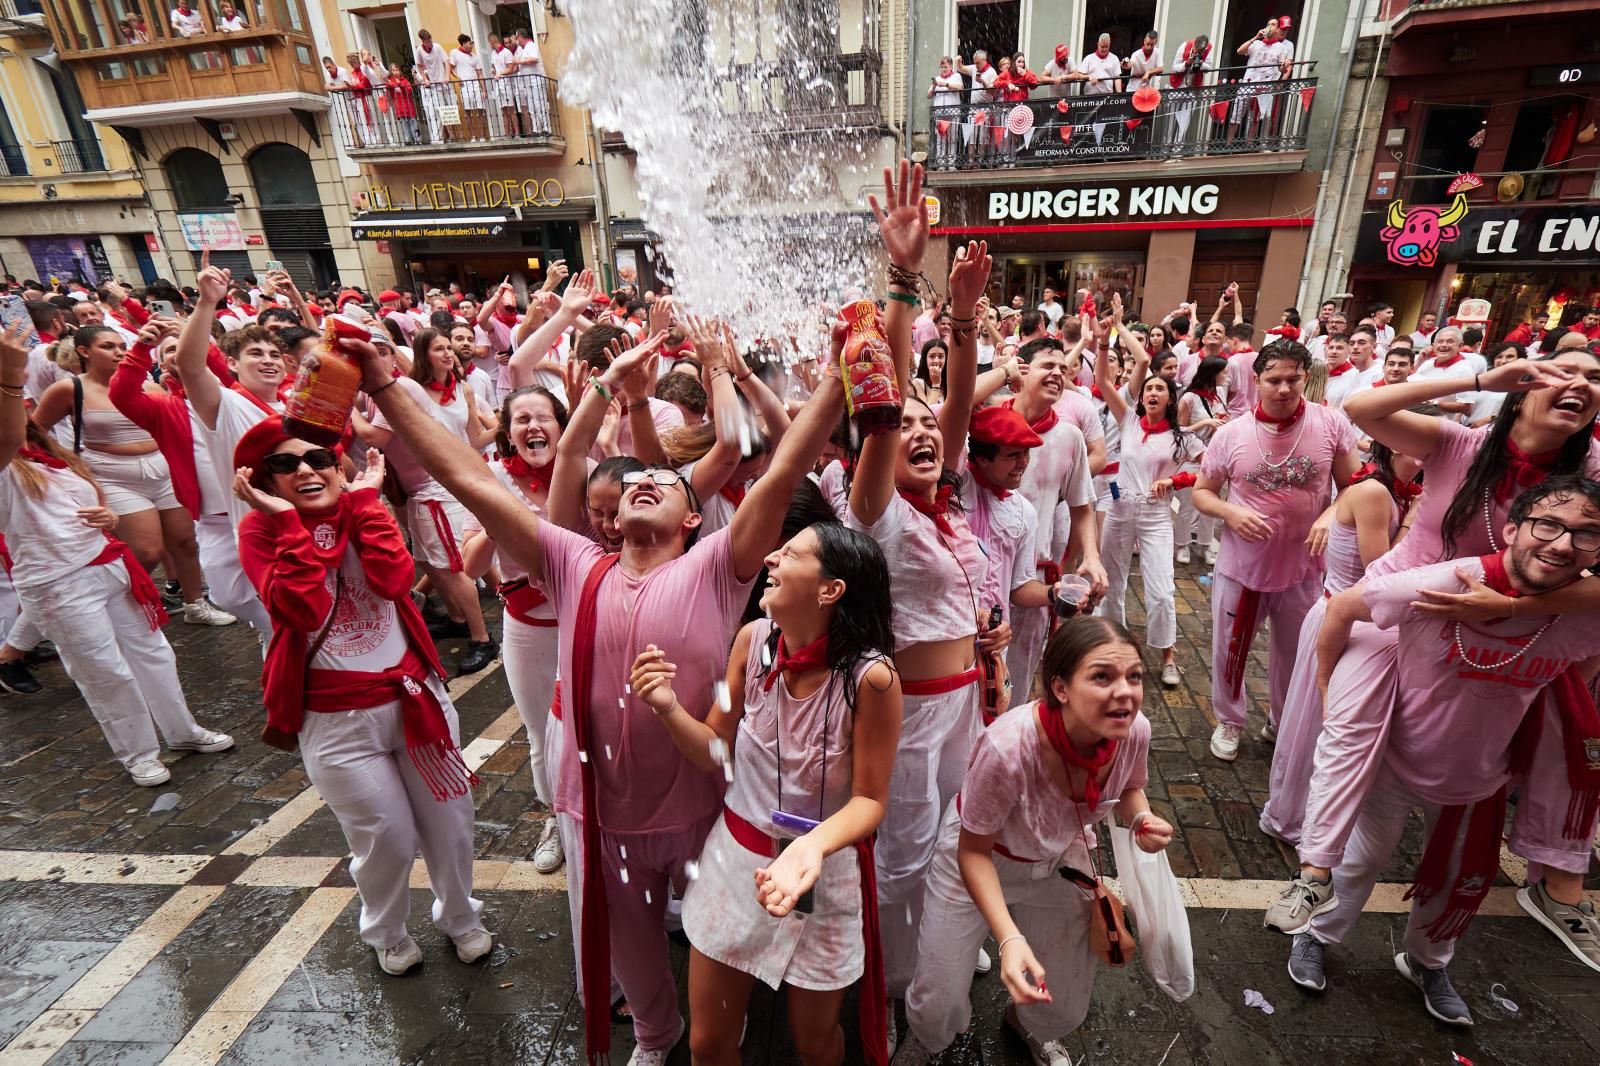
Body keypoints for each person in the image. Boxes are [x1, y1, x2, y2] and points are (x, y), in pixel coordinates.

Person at [346, 287, 845, 1064]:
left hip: (703, 809)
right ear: (607, 516)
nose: (645, 480)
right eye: (631, 484)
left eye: (667, 483)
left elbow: (784, 468)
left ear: (693, 517)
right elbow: (469, 480)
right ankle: (654, 1036)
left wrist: (844, 368)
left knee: (726, 940)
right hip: (601, 816)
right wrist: (384, 383)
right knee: (634, 957)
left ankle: (719, 1023)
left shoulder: (719, 567)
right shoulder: (573, 562)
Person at [1272, 347, 1600, 969]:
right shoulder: (1462, 445)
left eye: (1595, 379)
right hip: (1396, 612)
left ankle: (1548, 886)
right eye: (1567, 371)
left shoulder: (1593, 474)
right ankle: (1316, 881)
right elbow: (1361, 407)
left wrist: (1511, 611)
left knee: (1566, 732)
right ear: (1526, 385)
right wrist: (1480, 379)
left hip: (1508, 635)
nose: (1581, 385)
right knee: (1353, 739)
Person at [632, 521, 902, 1065]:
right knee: (708, 1044)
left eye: (791, 552)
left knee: (816, 1042)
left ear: (830, 590)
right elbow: (714, 747)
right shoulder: (751, 640)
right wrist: (666, 707)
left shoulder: (873, 679)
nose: (771, 558)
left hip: (821, 876)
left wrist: (809, 849)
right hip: (736, 865)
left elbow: (870, 800)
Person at [232, 421, 493, 977]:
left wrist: (369, 502)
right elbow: (298, 610)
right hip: (335, 720)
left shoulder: (363, 509)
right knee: (387, 838)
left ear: (339, 465)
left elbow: (395, 579)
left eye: (319, 457)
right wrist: (286, 524)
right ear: (265, 483)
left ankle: (460, 915)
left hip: (415, 696)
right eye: (285, 465)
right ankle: (387, 931)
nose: (305, 470)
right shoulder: (259, 531)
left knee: (450, 823)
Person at [840, 165, 998, 1016]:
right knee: (901, 854)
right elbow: (897, 407)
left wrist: (964, 318)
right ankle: (894, 989)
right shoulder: (877, 514)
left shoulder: (943, 506)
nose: (930, 433)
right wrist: (902, 281)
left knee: (955, 842)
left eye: (940, 430)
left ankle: (940, 944)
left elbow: (949, 411)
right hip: (904, 716)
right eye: (911, 430)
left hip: (967, 706)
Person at [893, 617, 1172, 1066]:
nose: (1125, 692)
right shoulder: (1008, 747)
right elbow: (973, 852)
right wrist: (1007, 939)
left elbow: (1131, 785)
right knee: (937, 998)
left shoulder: (1134, 730)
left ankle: (1026, 1027)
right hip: (980, 862)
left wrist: (1141, 816)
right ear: (1060, 688)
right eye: (1102, 676)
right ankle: (929, 1042)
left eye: (1134, 676)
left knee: (1061, 997)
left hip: (1060, 859)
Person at [0, 321, 234, 787]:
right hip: (58, 583)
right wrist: (9, 375)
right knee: (105, 671)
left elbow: (87, 501)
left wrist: (107, 517)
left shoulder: (57, 460)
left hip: (109, 567)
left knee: (154, 654)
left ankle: (182, 732)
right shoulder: (7, 469)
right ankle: (139, 754)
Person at [1192, 341, 1361, 761]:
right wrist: (1230, 512)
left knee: (1297, 652)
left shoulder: (1332, 424)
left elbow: (1357, 487)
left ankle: (1282, 720)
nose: (1284, 389)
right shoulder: (1231, 433)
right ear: (1257, 380)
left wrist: (1331, 515)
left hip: (1305, 567)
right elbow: (1202, 493)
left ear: (1307, 377)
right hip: (1243, 567)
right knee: (1230, 647)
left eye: (1293, 379)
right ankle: (1230, 720)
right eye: (1274, 380)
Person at [1258, 428, 1422, 842]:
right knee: (1318, 723)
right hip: (1342, 620)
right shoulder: (1374, 493)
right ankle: (1295, 818)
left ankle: (1324, 817)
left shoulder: (1395, 490)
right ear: (1403, 444)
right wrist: (1412, 526)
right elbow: (1379, 572)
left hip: (1363, 623)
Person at [31, 324, 234, 627]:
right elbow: (35, 431)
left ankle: (195, 605)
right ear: (84, 352)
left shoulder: (149, 386)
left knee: (185, 542)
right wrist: (64, 465)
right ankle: (122, 605)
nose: (118, 353)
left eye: (121, 346)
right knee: (148, 551)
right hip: (112, 475)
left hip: (162, 470)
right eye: (108, 347)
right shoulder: (69, 389)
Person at [459, 384, 573, 874]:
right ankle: (556, 820)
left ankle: (597, 813)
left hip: (582, 622)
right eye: (521, 419)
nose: (532, 427)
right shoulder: (490, 481)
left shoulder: (580, 474)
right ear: (507, 433)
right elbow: (468, 566)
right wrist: (496, 516)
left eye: (542, 417)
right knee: (540, 733)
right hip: (527, 628)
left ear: (560, 426)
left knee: (590, 724)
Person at [358, 327, 499, 675]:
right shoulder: (402, 389)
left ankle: (482, 639)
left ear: (394, 356)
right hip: (423, 490)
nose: (450, 354)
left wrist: (511, 424)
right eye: (440, 349)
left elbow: (474, 437)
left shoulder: (408, 388)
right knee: (432, 564)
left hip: (440, 488)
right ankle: (456, 618)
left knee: (452, 569)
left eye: (383, 351)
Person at [1093, 308, 1204, 686]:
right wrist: (1108, 336)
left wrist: (1176, 481)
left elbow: (1211, 470)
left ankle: (1168, 654)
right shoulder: (1127, 420)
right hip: (1121, 507)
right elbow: (1102, 380)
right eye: (1149, 388)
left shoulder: (1181, 438)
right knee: (1112, 580)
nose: (1153, 391)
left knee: (1161, 589)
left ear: (1171, 400)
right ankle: (1113, 641)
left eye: (1161, 388)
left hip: (1157, 515)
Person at [1174, 355, 1226, 565]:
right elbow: (1178, 430)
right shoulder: (1189, 398)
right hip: (1192, 459)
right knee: (1188, 505)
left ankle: (1205, 545)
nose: (1227, 376)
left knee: (1211, 506)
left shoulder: (1219, 394)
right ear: (1212, 374)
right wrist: (1204, 422)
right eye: (1224, 372)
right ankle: (1182, 545)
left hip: (1214, 458)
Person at [1230, 19, 1291, 140]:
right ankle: (1228, 144)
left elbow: (1281, 70)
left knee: (1255, 119)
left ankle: (1248, 145)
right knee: (1235, 116)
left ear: (1278, 29)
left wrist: (1285, 66)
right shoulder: (1257, 44)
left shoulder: (1280, 47)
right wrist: (1256, 37)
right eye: (1268, 24)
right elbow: (1239, 51)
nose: (1269, 26)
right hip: (1248, 84)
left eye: (1273, 24)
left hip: (1264, 87)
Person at [1409, 326, 1484, 420]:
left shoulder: (1465, 370)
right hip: (1413, 418)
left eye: (1450, 341)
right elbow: (1409, 383)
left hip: (1439, 425)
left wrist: (1434, 404)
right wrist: (1420, 361)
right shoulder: (1427, 363)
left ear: (1460, 346)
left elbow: (1466, 407)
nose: (1444, 345)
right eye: (1440, 341)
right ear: (1433, 345)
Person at [413, 29, 451, 143]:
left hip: (442, 83)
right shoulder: (419, 50)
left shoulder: (437, 47)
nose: (430, 43)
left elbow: (447, 61)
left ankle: (451, 136)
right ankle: (437, 138)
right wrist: (425, 79)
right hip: (433, 86)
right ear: (423, 41)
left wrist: (447, 76)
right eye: (428, 41)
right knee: (436, 112)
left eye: (431, 40)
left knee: (447, 110)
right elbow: (419, 65)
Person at [928, 57, 965, 167]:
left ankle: (951, 163)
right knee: (941, 138)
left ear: (951, 66)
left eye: (946, 67)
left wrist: (947, 84)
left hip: (952, 112)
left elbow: (960, 87)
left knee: (952, 138)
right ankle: (941, 163)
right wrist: (934, 86)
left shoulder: (956, 76)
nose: (943, 69)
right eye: (942, 67)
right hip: (940, 113)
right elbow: (929, 95)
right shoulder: (938, 78)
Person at [449, 35, 487, 142]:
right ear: (464, 44)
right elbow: (451, 68)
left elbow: (480, 74)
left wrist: (484, 90)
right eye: (470, 43)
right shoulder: (454, 53)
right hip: (465, 87)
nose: (471, 46)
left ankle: (483, 135)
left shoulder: (474, 57)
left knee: (480, 111)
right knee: (468, 112)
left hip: (476, 86)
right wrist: (458, 78)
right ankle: (473, 136)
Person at [384, 64, 421, 145]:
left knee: (413, 123)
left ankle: (417, 139)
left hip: (408, 107)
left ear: (399, 71)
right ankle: (407, 140)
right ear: (391, 72)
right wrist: (389, 84)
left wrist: (400, 84)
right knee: (404, 125)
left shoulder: (404, 80)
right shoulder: (390, 82)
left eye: (397, 70)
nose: (395, 72)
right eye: (393, 70)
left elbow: (409, 90)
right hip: (399, 108)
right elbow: (388, 93)